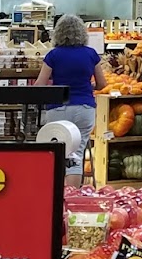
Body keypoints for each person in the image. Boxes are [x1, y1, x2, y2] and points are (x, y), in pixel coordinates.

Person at [37, 14, 110, 172]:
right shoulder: (91, 54)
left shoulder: (53, 55)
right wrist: (89, 87)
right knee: (76, 154)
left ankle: (57, 187)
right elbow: (102, 84)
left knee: (57, 154)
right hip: (84, 108)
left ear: (58, 33)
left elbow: (39, 85)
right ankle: (72, 187)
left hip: (58, 108)